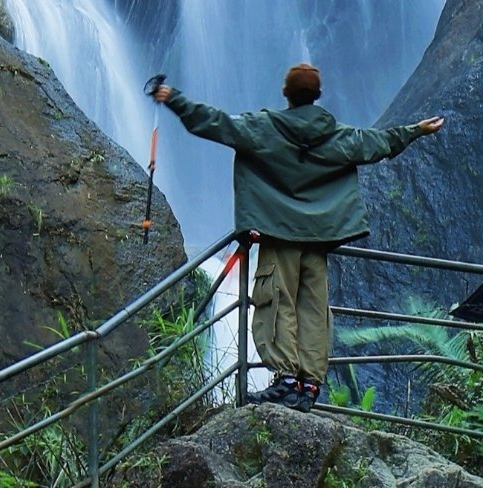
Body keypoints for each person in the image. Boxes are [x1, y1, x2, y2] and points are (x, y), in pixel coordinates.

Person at [150, 64, 444, 408]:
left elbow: (215, 123)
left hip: (279, 235)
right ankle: (309, 386)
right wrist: (416, 130)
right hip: (319, 240)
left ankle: (287, 380)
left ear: (286, 93)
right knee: (314, 310)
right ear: (317, 96)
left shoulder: (265, 128)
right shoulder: (337, 134)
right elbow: (379, 143)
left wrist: (173, 98)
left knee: (276, 302)